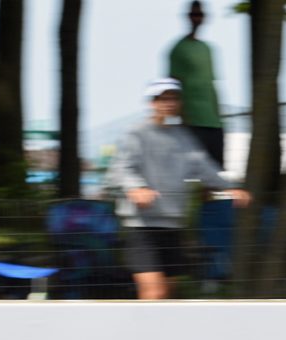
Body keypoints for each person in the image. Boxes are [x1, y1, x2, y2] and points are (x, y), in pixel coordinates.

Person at [104, 79, 249, 300]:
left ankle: (160, 334)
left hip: (172, 227)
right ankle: (141, 334)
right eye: (163, 98)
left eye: (173, 98)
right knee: (154, 292)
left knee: (170, 293)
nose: (169, 103)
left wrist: (231, 188)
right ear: (152, 103)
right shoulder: (136, 133)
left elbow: (204, 167)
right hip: (141, 227)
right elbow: (120, 168)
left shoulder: (183, 137)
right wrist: (136, 187)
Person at [168, 0, 224, 167]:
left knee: (213, 172)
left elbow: (212, 84)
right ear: (187, 17)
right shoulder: (178, 49)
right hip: (191, 121)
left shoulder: (208, 49)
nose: (196, 18)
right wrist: (181, 117)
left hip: (213, 121)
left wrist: (219, 117)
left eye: (199, 14)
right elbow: (173, 86)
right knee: (191, 171)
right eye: (193, 14)